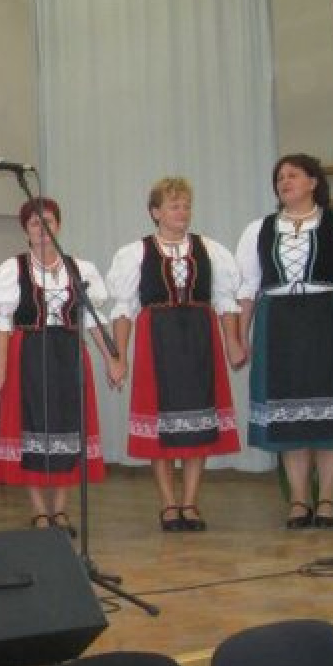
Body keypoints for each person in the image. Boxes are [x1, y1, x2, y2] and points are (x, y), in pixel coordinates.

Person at [235, 153, 333, 530]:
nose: (285, 182)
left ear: (314, 182)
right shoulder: (259, 230)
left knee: (331, 413)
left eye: (293, 175)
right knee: (289, 413)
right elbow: (249, 288)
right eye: (279, 177)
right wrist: (240, 335)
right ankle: (300, 499)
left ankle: (328, 498)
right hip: (278, 320)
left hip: (331, 317)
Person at [105, 178, 242, 532]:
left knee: (198, 424)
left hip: (199, 336)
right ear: (155, 212)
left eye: (185, 206)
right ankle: (168, 503)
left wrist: (233, 342)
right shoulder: (136, 253)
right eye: (174, 206)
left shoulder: (210, 249)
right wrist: (119, 356)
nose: (182, 212)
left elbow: (226, 302)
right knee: (159, 422)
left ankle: (191, 502)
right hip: (157, 338)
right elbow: (124, 308)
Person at [0, 197, 117, 534]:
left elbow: (92, 320)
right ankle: (39, 510)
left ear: (58, 225)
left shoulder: (80, 269)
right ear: (26, 231)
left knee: (69, 429)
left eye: (48, 222)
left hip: (69, 353)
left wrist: (111, 359)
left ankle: (60, 509)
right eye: (34, 224)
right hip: (28, 352)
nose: (42, 230)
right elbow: (2, 322)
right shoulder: (13, 269)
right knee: (31, 430)